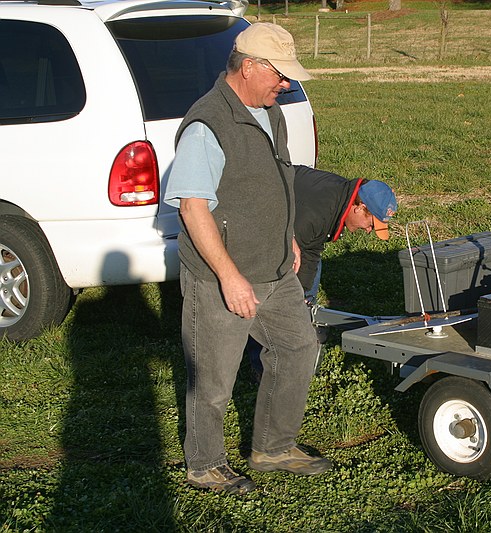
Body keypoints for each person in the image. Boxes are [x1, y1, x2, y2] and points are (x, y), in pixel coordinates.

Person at [164, 22, 330, 495]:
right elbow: (193, 208)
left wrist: (289, 239)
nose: (286, 83)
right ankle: (204, 464)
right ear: (250, 66)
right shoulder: (207, 124)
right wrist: (230, 277)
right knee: (214, 378)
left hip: (275, 266)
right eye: (279, 74)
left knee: (299, 349)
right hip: (224, 276)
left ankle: (272, 448)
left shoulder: (268, 112)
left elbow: (272, 184)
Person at [246, 171, 397, 379]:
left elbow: (312, 247)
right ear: (360, 208)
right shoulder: (317, 214)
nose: (369, 231)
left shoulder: (338, 204)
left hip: (299, 231)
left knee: (304, 297)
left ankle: (299, 349)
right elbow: (278, 256)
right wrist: (290, 299)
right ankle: (262, 368)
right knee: (269, 302)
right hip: (263, 223)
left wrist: (304, 293)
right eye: (370, 224)